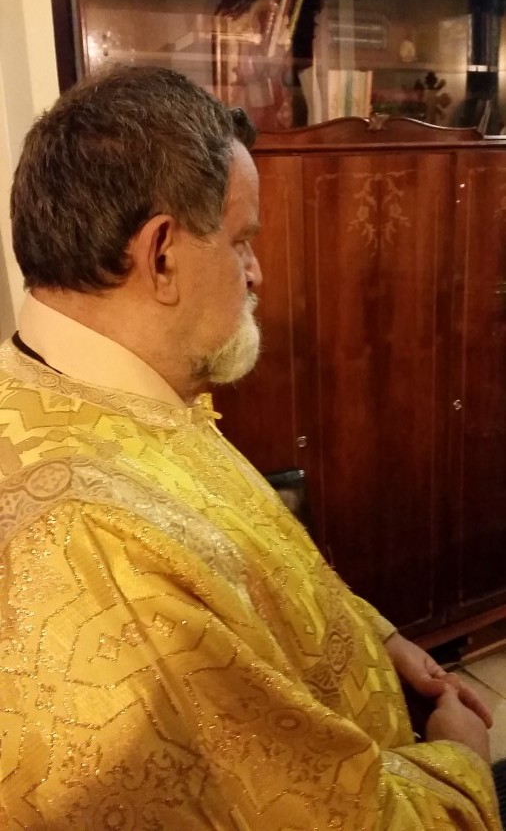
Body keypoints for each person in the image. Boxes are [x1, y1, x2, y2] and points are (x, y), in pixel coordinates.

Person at [0, 66, 500, 830]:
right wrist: (461, 762)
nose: (257, 271)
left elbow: (256, 569)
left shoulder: (94, 390)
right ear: (161, 254)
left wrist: (383, 639)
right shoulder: (91, 548)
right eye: (242, 242)